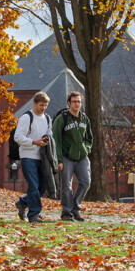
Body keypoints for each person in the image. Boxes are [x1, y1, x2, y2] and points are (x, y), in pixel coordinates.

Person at [53, 91, 93, 222]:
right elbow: (56, 140)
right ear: (69, 103)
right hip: (66, 157)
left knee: (86, 182)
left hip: (82, 157)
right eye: (74, 101)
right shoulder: (62, 118)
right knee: (66, 186)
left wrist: (86, 149)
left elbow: (89, 138)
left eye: (79, 101)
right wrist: (59, 160)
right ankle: (66, 212)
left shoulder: (84, 118)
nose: (77, 104)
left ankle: (75, 208)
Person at [14, 92, 52, 223]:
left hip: (42, 157)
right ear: (34, 103)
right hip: (28, 156)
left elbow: (50, 134)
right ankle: (33, 215)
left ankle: (23, 202)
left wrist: (48, 139)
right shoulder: (26, 117)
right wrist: (34, 142)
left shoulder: (47, 118)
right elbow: (17, 137)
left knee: (41, 187)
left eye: (46, 105)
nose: (43, 108)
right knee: (34, 185)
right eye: (41, 105)